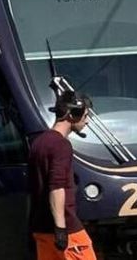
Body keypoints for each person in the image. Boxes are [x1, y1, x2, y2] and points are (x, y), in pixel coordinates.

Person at [28, 90, 97, 260]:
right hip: (67, 229)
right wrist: (61, 228)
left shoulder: (38, 143)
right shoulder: (61, 145)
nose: (87, 121)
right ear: (72, 114)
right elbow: (56, 187)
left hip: (41, 228)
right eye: (85, 115)